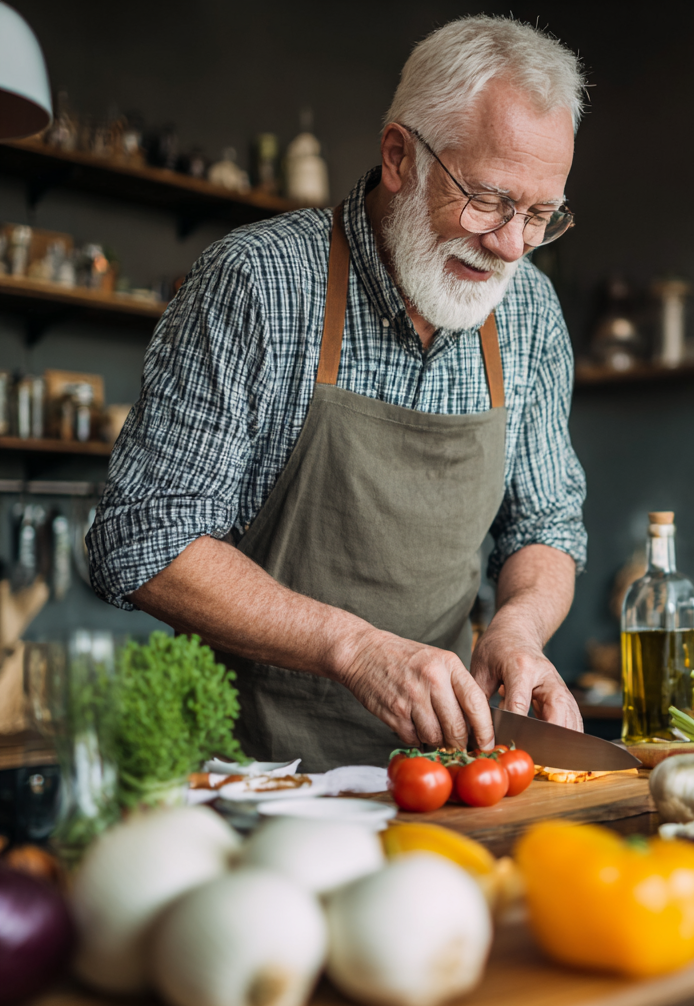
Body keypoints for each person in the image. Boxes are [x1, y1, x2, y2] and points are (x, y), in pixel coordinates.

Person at [87, 15, 588, 770]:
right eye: (488, 200)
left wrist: (517, 629)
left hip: (444, 774)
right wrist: (354, 648)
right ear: (399, 157)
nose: (512, 244)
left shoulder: (529, 313)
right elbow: (142, 537)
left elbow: (547, 524)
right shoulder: (257, 284)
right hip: (250, 779)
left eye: (540, 215)